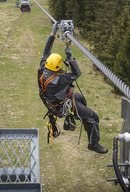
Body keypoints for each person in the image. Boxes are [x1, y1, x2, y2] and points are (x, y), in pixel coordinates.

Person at [37, 24, 108, 154]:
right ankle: (93, 143)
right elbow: (77, 73)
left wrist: (52, 34)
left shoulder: (42, 69)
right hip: (61, 106)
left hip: (52, 103)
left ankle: (83, 119)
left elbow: (45, 52)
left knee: (80, 98)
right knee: (94, 117)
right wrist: (69, 57)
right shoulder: (59, 80)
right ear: (58, 67)